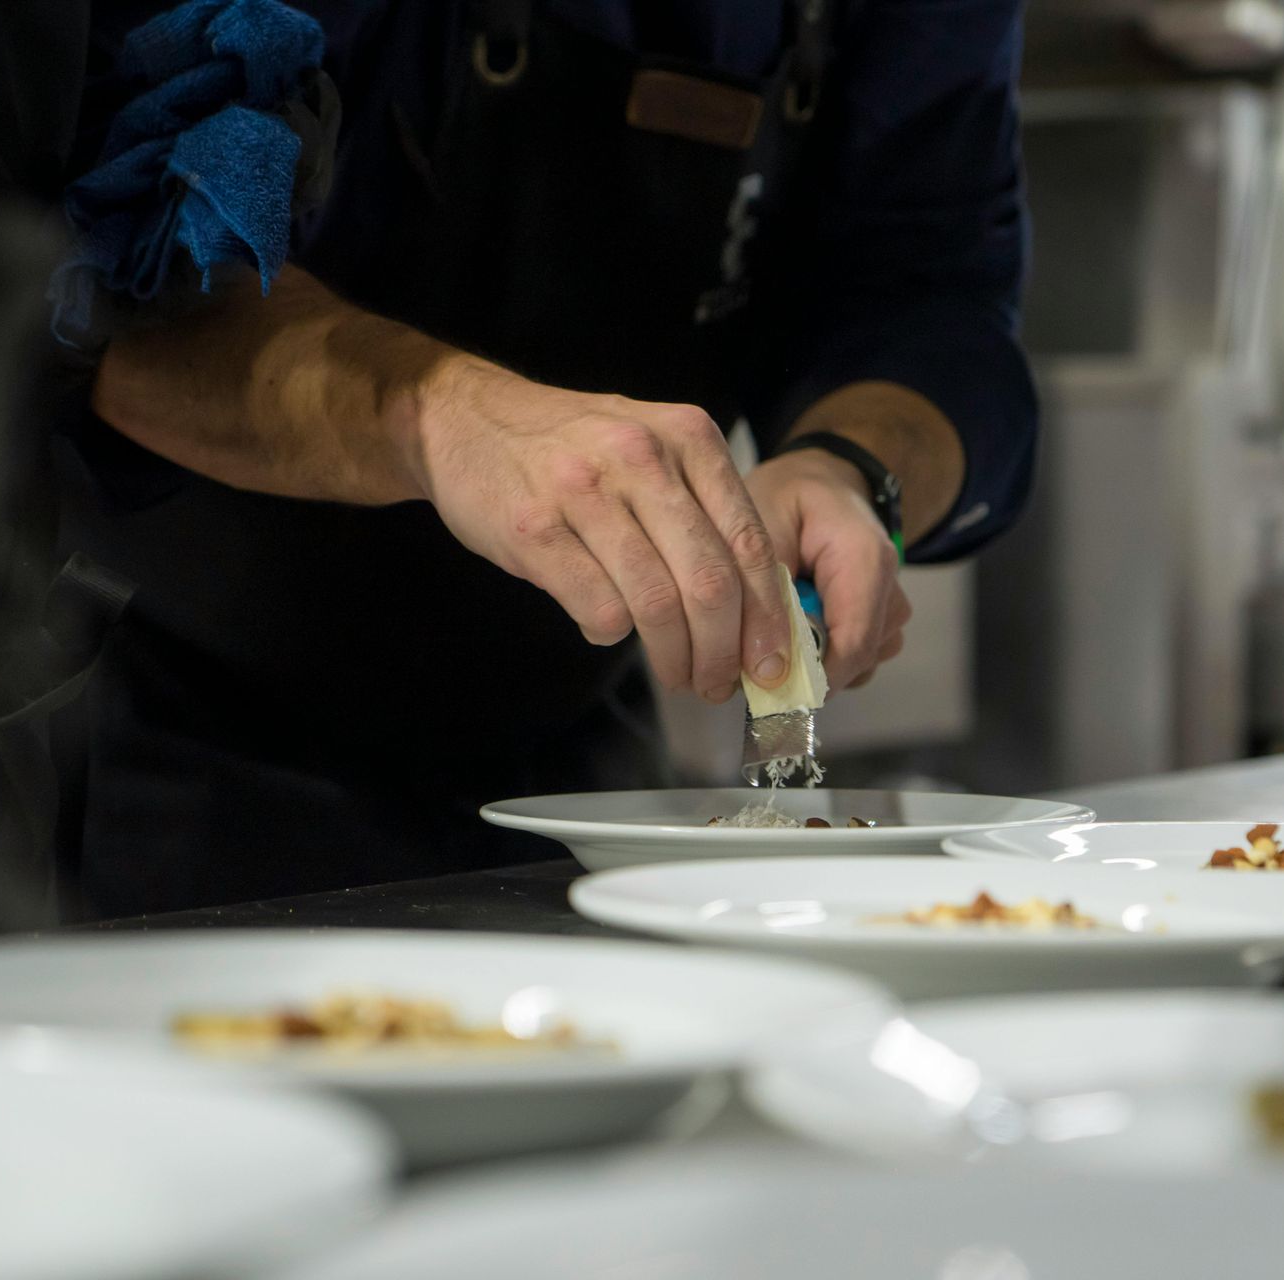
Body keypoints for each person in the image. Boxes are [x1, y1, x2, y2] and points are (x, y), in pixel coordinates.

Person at [55, 0, 1040, 917]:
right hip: (160, 735)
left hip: (578, 766)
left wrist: (848, 464)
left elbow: (928, 289)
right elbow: (113, 302)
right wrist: (431, 409)